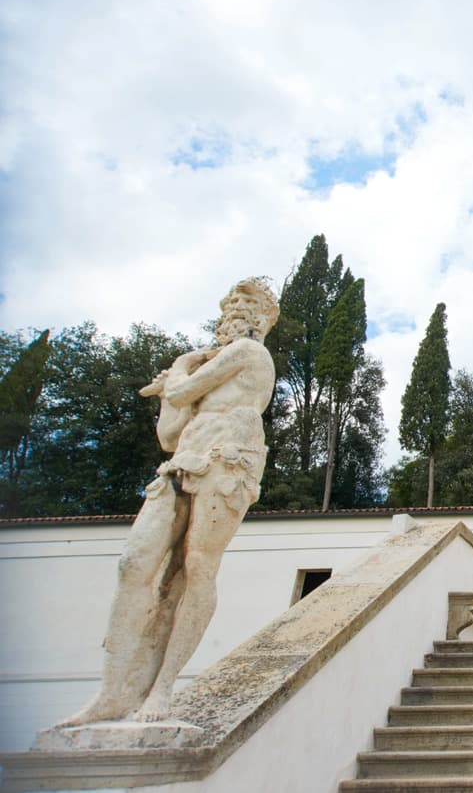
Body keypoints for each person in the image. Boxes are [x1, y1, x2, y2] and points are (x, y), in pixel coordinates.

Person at [60, 277, 279, 726]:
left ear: (262, 317)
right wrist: (171, 394)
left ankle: (160, 691)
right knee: (135, 563)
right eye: (232, 302)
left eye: (246, 302)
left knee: (195, 568)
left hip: (228, 462)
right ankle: (111, 692)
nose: (235, 308)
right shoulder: (208, 369)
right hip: (182, 461)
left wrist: (178, 370)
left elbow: (180, 391)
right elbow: (169, 436)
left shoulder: (249, 353)